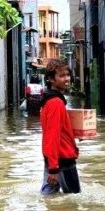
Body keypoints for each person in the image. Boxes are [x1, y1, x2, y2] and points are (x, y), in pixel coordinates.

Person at [40, 60, 81, 195]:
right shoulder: (56, 103)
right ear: (51, 79)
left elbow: (58, 131)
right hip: (62, 160)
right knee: (74, 201)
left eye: (68, 75)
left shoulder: (51, 100)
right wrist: (53, 169)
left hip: (55, 160)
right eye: (62, 76)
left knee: (50, 197)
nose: (67, 79)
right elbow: (52, 136)